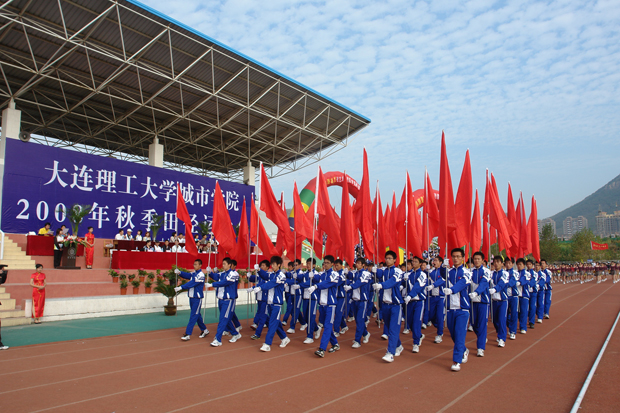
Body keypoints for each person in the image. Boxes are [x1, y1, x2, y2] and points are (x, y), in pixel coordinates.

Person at [251, 255, 290, 352]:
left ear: (279, 265)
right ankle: (284, 338)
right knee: (276, 322)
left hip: (276, 304)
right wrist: (259, 270)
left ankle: (267, 344)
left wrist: (260, 288)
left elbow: (271, 283)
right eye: (271, 264)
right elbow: (265, 276)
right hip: (269, 303)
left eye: (274, 264)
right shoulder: (272, 274)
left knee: (272, 323)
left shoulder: (281, 276)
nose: (272, 266)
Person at [372, 250, 405, 363]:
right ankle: (398, 346)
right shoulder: (383, 271)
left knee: (393, 329)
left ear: (395, 260)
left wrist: (381, 285)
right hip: (385, 305)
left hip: (395, 305)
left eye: (390, 258)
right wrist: (373, 270)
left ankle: (390, 353)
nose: (387, 260)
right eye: (386, 258)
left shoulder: (398, 271)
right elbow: (377, 274)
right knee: (390, 327)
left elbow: (393, 281)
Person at [443, 248, 472, 372]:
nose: (455, 258)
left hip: (462, 309)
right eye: (453, 256)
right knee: (453, 334)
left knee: (460, 335)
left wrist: (452, 290)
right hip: (450, 309)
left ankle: (456, 361)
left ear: (463, 258)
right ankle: (464, 350)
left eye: (458, 256)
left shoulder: (466, 272)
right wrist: (442, 268)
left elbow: (463, 283)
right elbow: (441, 279)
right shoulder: (448, 272)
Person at [306, 255, 340, 357]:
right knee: (326, 325)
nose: (325, 264)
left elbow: (327, 283)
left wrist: (316, 286)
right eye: (324, 262)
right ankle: (335, 343)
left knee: (328, 326)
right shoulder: (321, 274)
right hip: (322, 304)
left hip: (330, 305)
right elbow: (316, 278)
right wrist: (311, 274)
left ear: (332, 264)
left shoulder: (335, 274)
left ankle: (322, 349)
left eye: (327, 263)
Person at [207, 258, 241, 346]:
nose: (223, 265)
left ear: (230, 265)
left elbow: (225, 282)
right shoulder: (222, 273)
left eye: (225, 264)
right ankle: (235, 334)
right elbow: (216, 276)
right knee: (226, 319)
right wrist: (210, 272)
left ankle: (218, 339)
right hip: (221, 299)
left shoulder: (233, 274)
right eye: (223, 264)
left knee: (223, 319)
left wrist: (212, 284)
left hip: (228, 300)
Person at [173, 260, 209, 341]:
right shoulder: (194, 273)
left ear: (200, 265)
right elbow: (187, 275)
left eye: (196, 264)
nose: (194, 265)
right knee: (197, 315)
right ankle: (204, 330)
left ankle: (188, 334)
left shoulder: (201, 275)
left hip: (197, 298)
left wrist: (181, 287)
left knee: (193, 315)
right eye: (194, 264)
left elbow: (192, 283)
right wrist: (179, 272)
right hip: (191, 297)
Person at [469, 252, 492, 357]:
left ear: (482, 260)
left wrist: (476, 292)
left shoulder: (487, 271)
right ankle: (482, 337)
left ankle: (480, 348)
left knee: (482, 324)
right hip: (472, 302)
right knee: (473, 324)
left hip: (483, 302)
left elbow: (483, 284)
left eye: (478, 259)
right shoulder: (470, 272)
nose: (476, 261)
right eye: (475, 259)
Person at [404, 256, 428, 353]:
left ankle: (416, 343)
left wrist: (410, 295)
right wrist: (403, 282)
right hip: (409, 302)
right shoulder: (408, 274)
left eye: (416, 262)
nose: (413, 263)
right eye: (413, 261)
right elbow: (403, 285)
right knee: (409, 322)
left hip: (418, 301)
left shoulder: (422, 274)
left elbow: (418, 286)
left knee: (416, 322)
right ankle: (419, 335)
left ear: (420, 263)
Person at [346, 257, 372, 348]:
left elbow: (360, 282)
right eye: (356, 263)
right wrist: (346, 271)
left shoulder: (366, 273)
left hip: (362, 301)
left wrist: (351, 286)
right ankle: (365, 333)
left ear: (363, 265)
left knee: (360, 320)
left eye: (359, 263)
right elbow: (350, 277)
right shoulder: (355, 273)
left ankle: (357, 340)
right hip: (355, 300)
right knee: (358, 320)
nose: (357, 265)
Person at [299, 258, 320, 344]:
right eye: (307, 263)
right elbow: (299, 278)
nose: (308, 265)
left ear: (314, 265)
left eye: (310, 264)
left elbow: (314, 281)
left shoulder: (316, 273)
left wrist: (300, 285)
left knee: (311, 317)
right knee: (305, 317)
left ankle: (310, 336)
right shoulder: (305, 273)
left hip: (313, 298)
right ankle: (316, 328)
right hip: (305, 297)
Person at [426, 256, 447, 344]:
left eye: (436, 260)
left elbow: (442, 280)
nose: (434, 262)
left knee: (439, 316)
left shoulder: (443, 272)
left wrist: (433, 285)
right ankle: (439, 325)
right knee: (431, 316)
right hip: (432, 297)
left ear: (440, 262)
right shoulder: (431, 272)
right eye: (433, 260)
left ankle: (439, 334)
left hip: (440, 297)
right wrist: (426, 271)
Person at [490, 256, 509, 347]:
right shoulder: (491, 273)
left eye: (498, 262)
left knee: (501, 319)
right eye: (495, 262)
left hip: (502, 301)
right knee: (494, 320)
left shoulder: (505, 273)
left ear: (502, 263)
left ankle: (502, 338)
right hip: (493, 301)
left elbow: (501, 283)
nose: (496, 263)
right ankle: (499, 332)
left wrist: (495, 289)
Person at [248, 260, 270, 338]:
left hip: (265, 298)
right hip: (259, 297)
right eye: (261, 265)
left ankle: (257, 333)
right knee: (261, 312)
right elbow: (254, 279)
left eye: (263, 265)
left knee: (263, 315)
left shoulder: (268, 275)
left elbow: (262, 283)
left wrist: (253, 287)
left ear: (267, 267)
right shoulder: (259, 275)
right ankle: (273, 326)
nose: (262, 267)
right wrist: (249, 276)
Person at [505, 258, 520, 340]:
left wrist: (502, 284)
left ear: (513, 264)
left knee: (514, 313)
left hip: (513, 296)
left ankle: (513, 331)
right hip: (505, 297)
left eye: (509, 263)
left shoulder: (515, 273)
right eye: (506, 263)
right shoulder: (503, 272)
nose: (508, 265)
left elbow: (511, 283)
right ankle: (509, 326)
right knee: (505, 314)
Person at [517, 258, 531, 334]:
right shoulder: (515, 273)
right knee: (516, 312)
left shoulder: (527, 273)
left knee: (523, 311)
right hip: (516, 295)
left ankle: (523, 327)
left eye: (520, 264)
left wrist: (519, 282)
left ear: (524, 265)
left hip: (524, 295)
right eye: (518, 264)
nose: (519, 266)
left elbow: (524, 280)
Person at [526, 259, 539, 328]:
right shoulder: (524, 273)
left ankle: (531, 321)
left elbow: (533, 281)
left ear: (532, 265)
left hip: (532, 292)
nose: (528, 265)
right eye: (527, 264)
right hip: (525, 292)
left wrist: (527, 285)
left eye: (530, 264)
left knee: (532, 307)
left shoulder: (535, 273)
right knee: (525, 308)